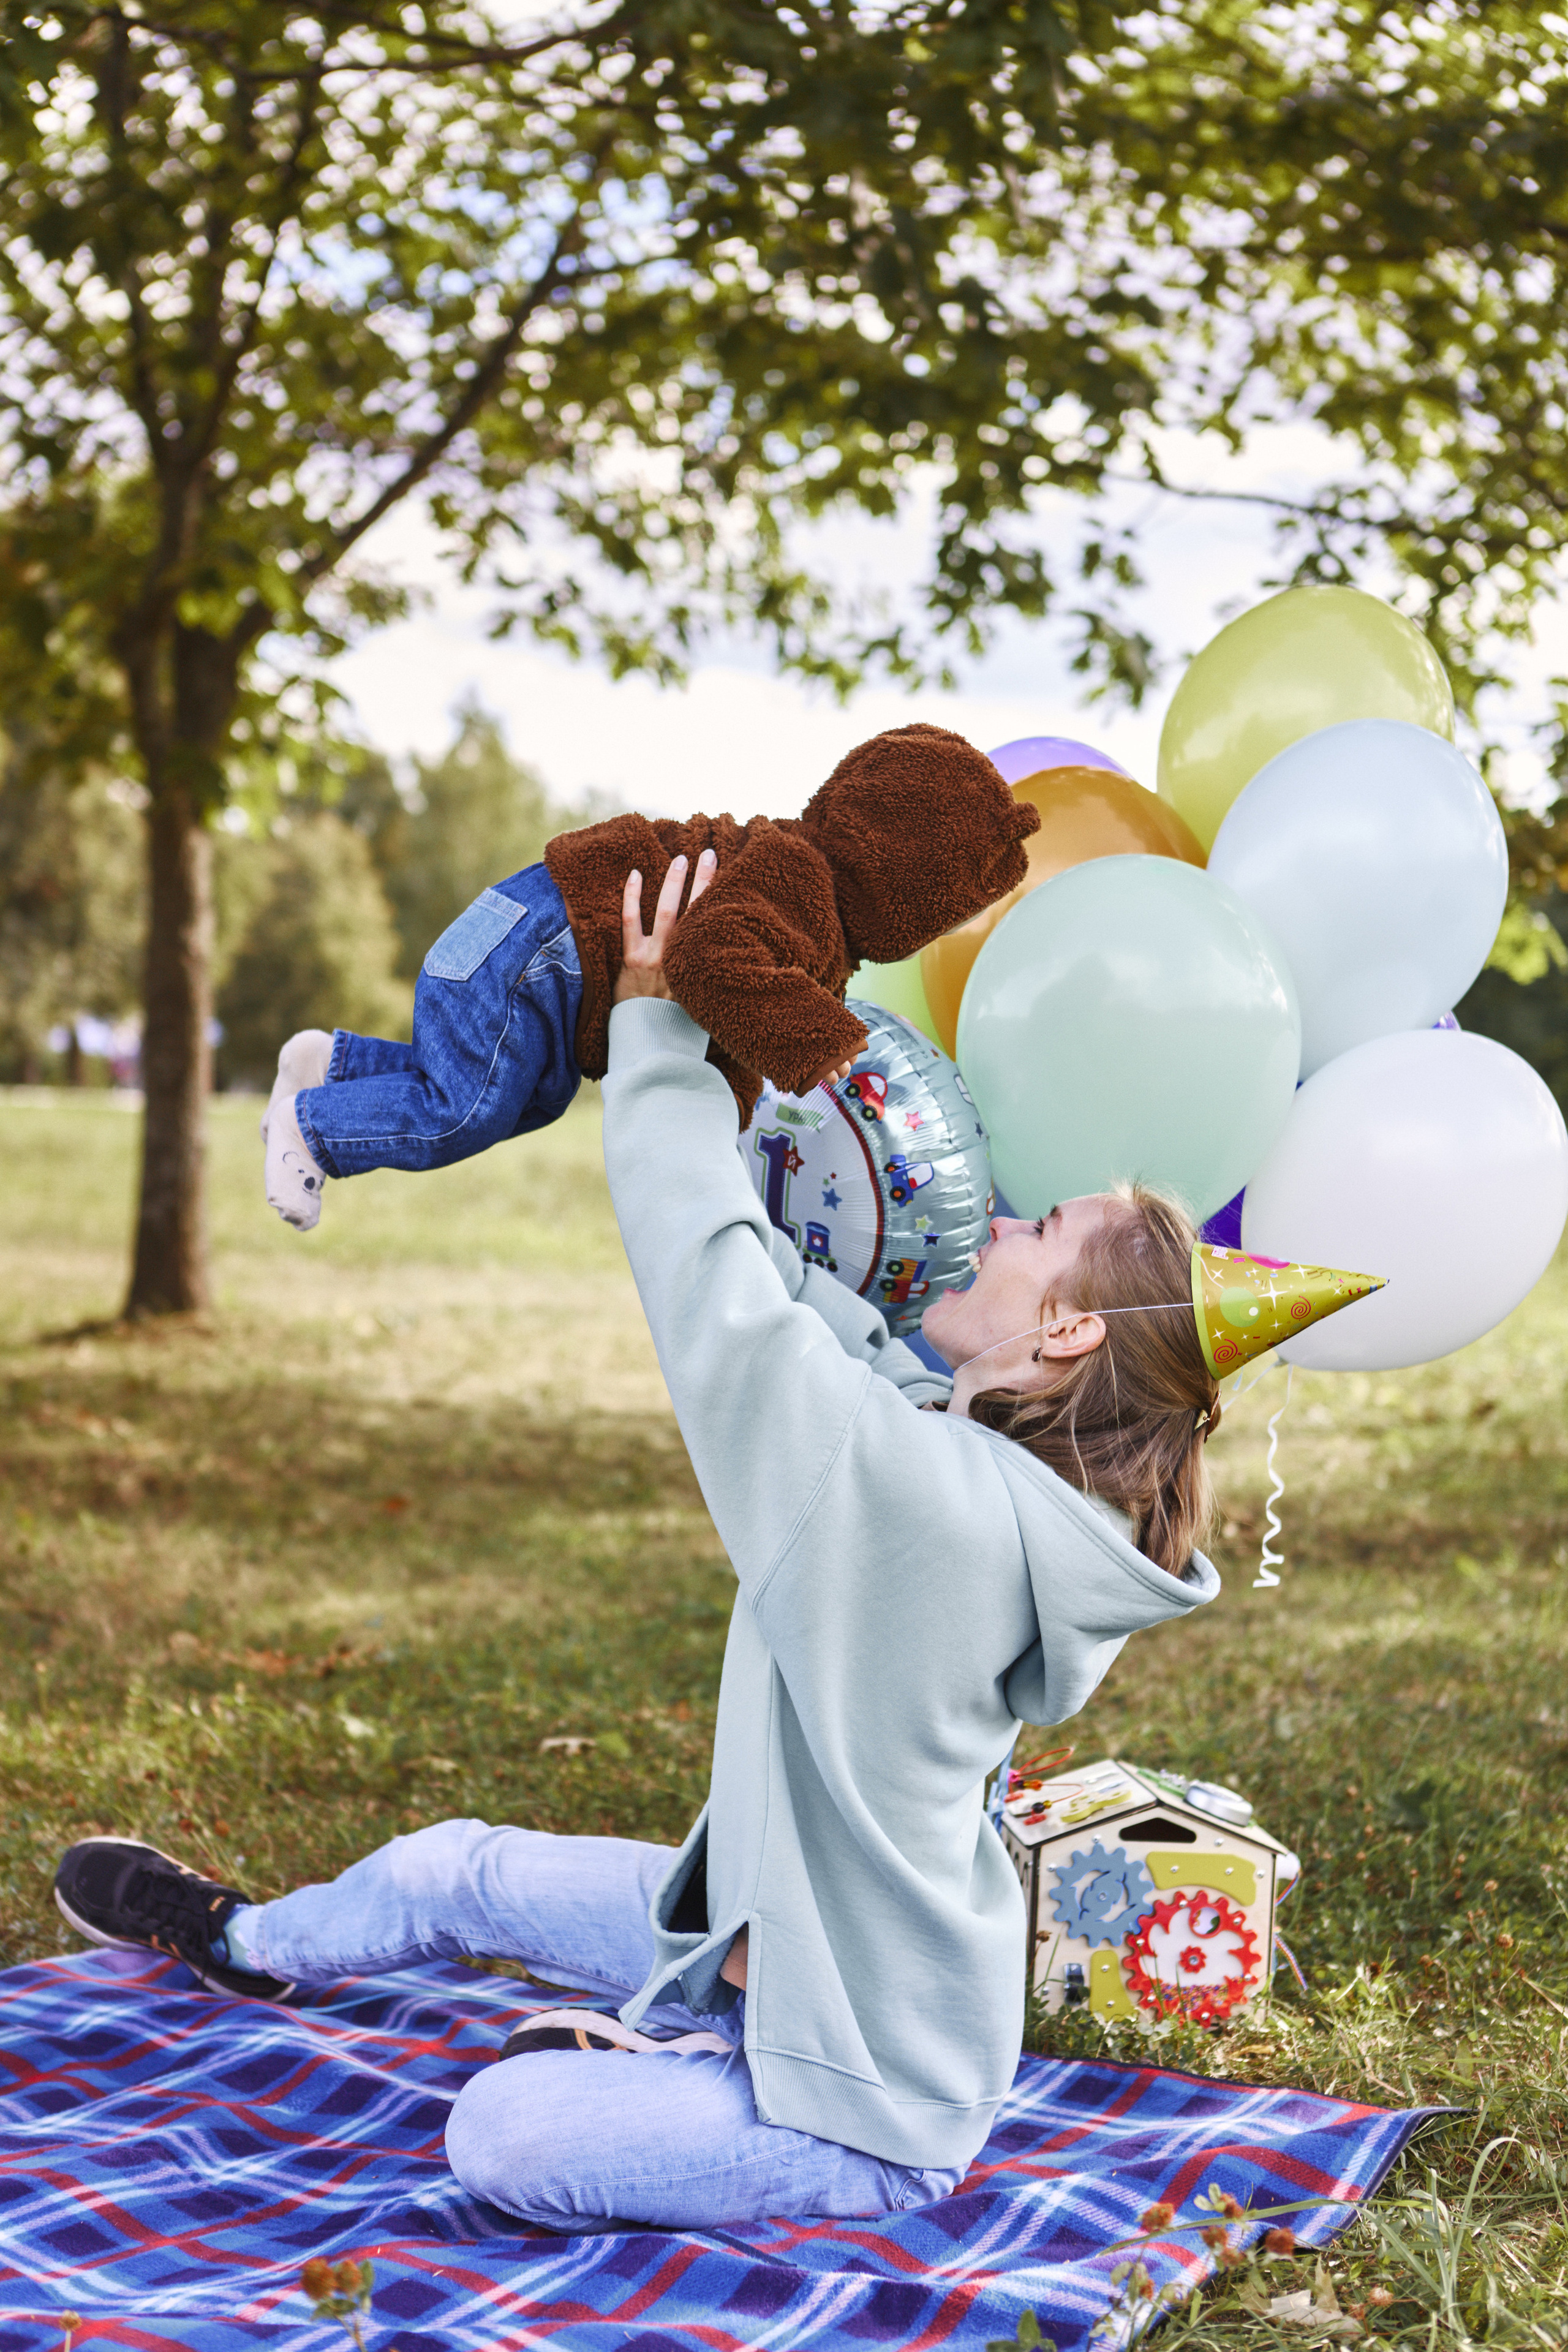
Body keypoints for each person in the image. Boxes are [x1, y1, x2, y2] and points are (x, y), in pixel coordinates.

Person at [55, 857, 1224, 2233]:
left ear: (1066, 1333)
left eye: (1038, 1230)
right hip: (763, 1932)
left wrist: (660, 1035)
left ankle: (663, 2055)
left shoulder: (932, 1509)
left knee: (501, 2133)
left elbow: (718, 1292)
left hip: (861, 2103)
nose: (999, 1223)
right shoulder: (956, 1461)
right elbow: (808, 1303)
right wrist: (742, 1075)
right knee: (453, 1869)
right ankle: (242, 1943)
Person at [260, 722, 1037, 1227]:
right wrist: (817, 1037)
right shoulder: (800, 883)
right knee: (465, 1113)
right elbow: (708, 964)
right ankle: (313, 1130)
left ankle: (327, 1066)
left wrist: (726, 1134)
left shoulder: (807, 907)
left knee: (527, 1099)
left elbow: (724, 1032)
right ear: (903, 880)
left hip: (531, 930)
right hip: (546, 945)